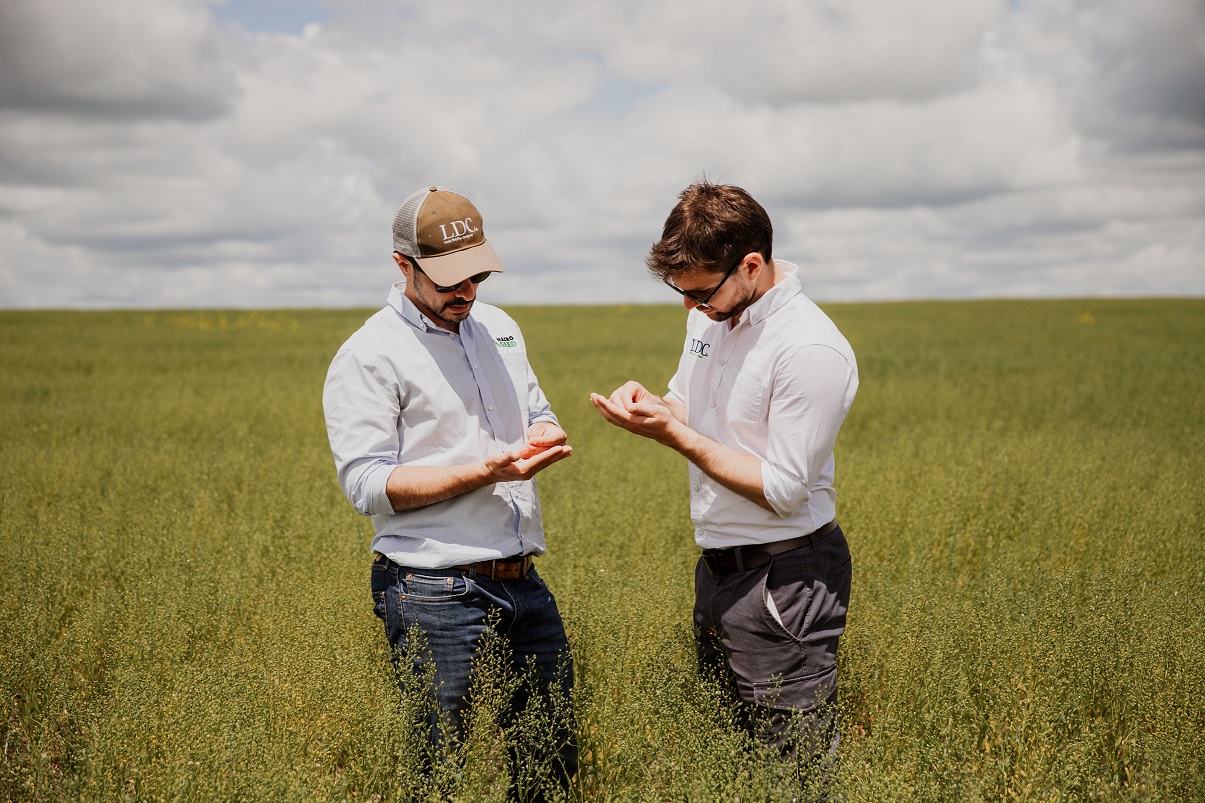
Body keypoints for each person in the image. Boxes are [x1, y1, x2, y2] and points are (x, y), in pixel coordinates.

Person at [590, 181, 858, 786]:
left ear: (752, 265)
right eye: (680, 293)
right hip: (718, 570)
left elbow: (786, 488)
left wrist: (673, 436)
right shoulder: (713, 318)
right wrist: (653, 409)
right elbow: (690, 408)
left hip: (786, 577)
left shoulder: (809, 348)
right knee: (729, 751)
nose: (692, 308)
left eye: (702, 292)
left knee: (795, 769)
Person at [323, 186, 576, 791]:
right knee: (437, 777)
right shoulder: (369, 356)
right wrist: (488, 471)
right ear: (402, 265)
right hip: (432, 592)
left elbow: (535, 408)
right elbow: (368, 484)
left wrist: (544, 430)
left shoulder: (500, 328)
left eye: (477, 276)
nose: (465, 292)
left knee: (549, 767)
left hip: (524, 583)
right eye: (448, 280)